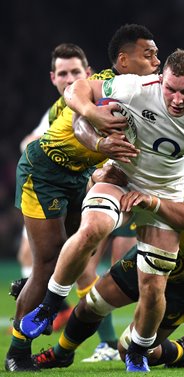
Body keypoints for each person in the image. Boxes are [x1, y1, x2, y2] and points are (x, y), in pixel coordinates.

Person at [19, 48, 184, 373]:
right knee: (92, 228)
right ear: (161, 81)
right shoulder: (136, 88)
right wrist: (92, 111)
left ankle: (138, 351)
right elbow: (78, 90)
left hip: (163, 194)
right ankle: (49, 305)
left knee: (153, 286)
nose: (176, 98)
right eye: (170, 88)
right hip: (122, 176)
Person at [4, 24, 160, 373]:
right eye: (147, 53)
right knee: (47, 265)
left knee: (79, 257)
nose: (156, 59)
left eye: (155, 53)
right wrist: (100, 144)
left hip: (77, 176)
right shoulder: (105, 86)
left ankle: (42, 297)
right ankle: (17, 351)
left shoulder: (146, 92)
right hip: (43, 173)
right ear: (124, 60)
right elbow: (80, 125)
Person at [30, 166, 184, 371]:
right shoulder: (149, 170)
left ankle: (180, 351)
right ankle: (60, 354)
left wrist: (152, 202)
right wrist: (96, 177)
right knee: (90, 305)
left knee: (128, 350)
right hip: (146, 255)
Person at [13, 42, 93, 331]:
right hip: (51, 186)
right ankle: (42, 310)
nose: (69, 79)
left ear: (88, 73)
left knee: (76, 257)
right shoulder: (56, 111)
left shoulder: (96, 99)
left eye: (75, 72)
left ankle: (45, 299)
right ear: (53, 78)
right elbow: (28, 142)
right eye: (63, 74)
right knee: (49, 258)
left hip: (88, 186)